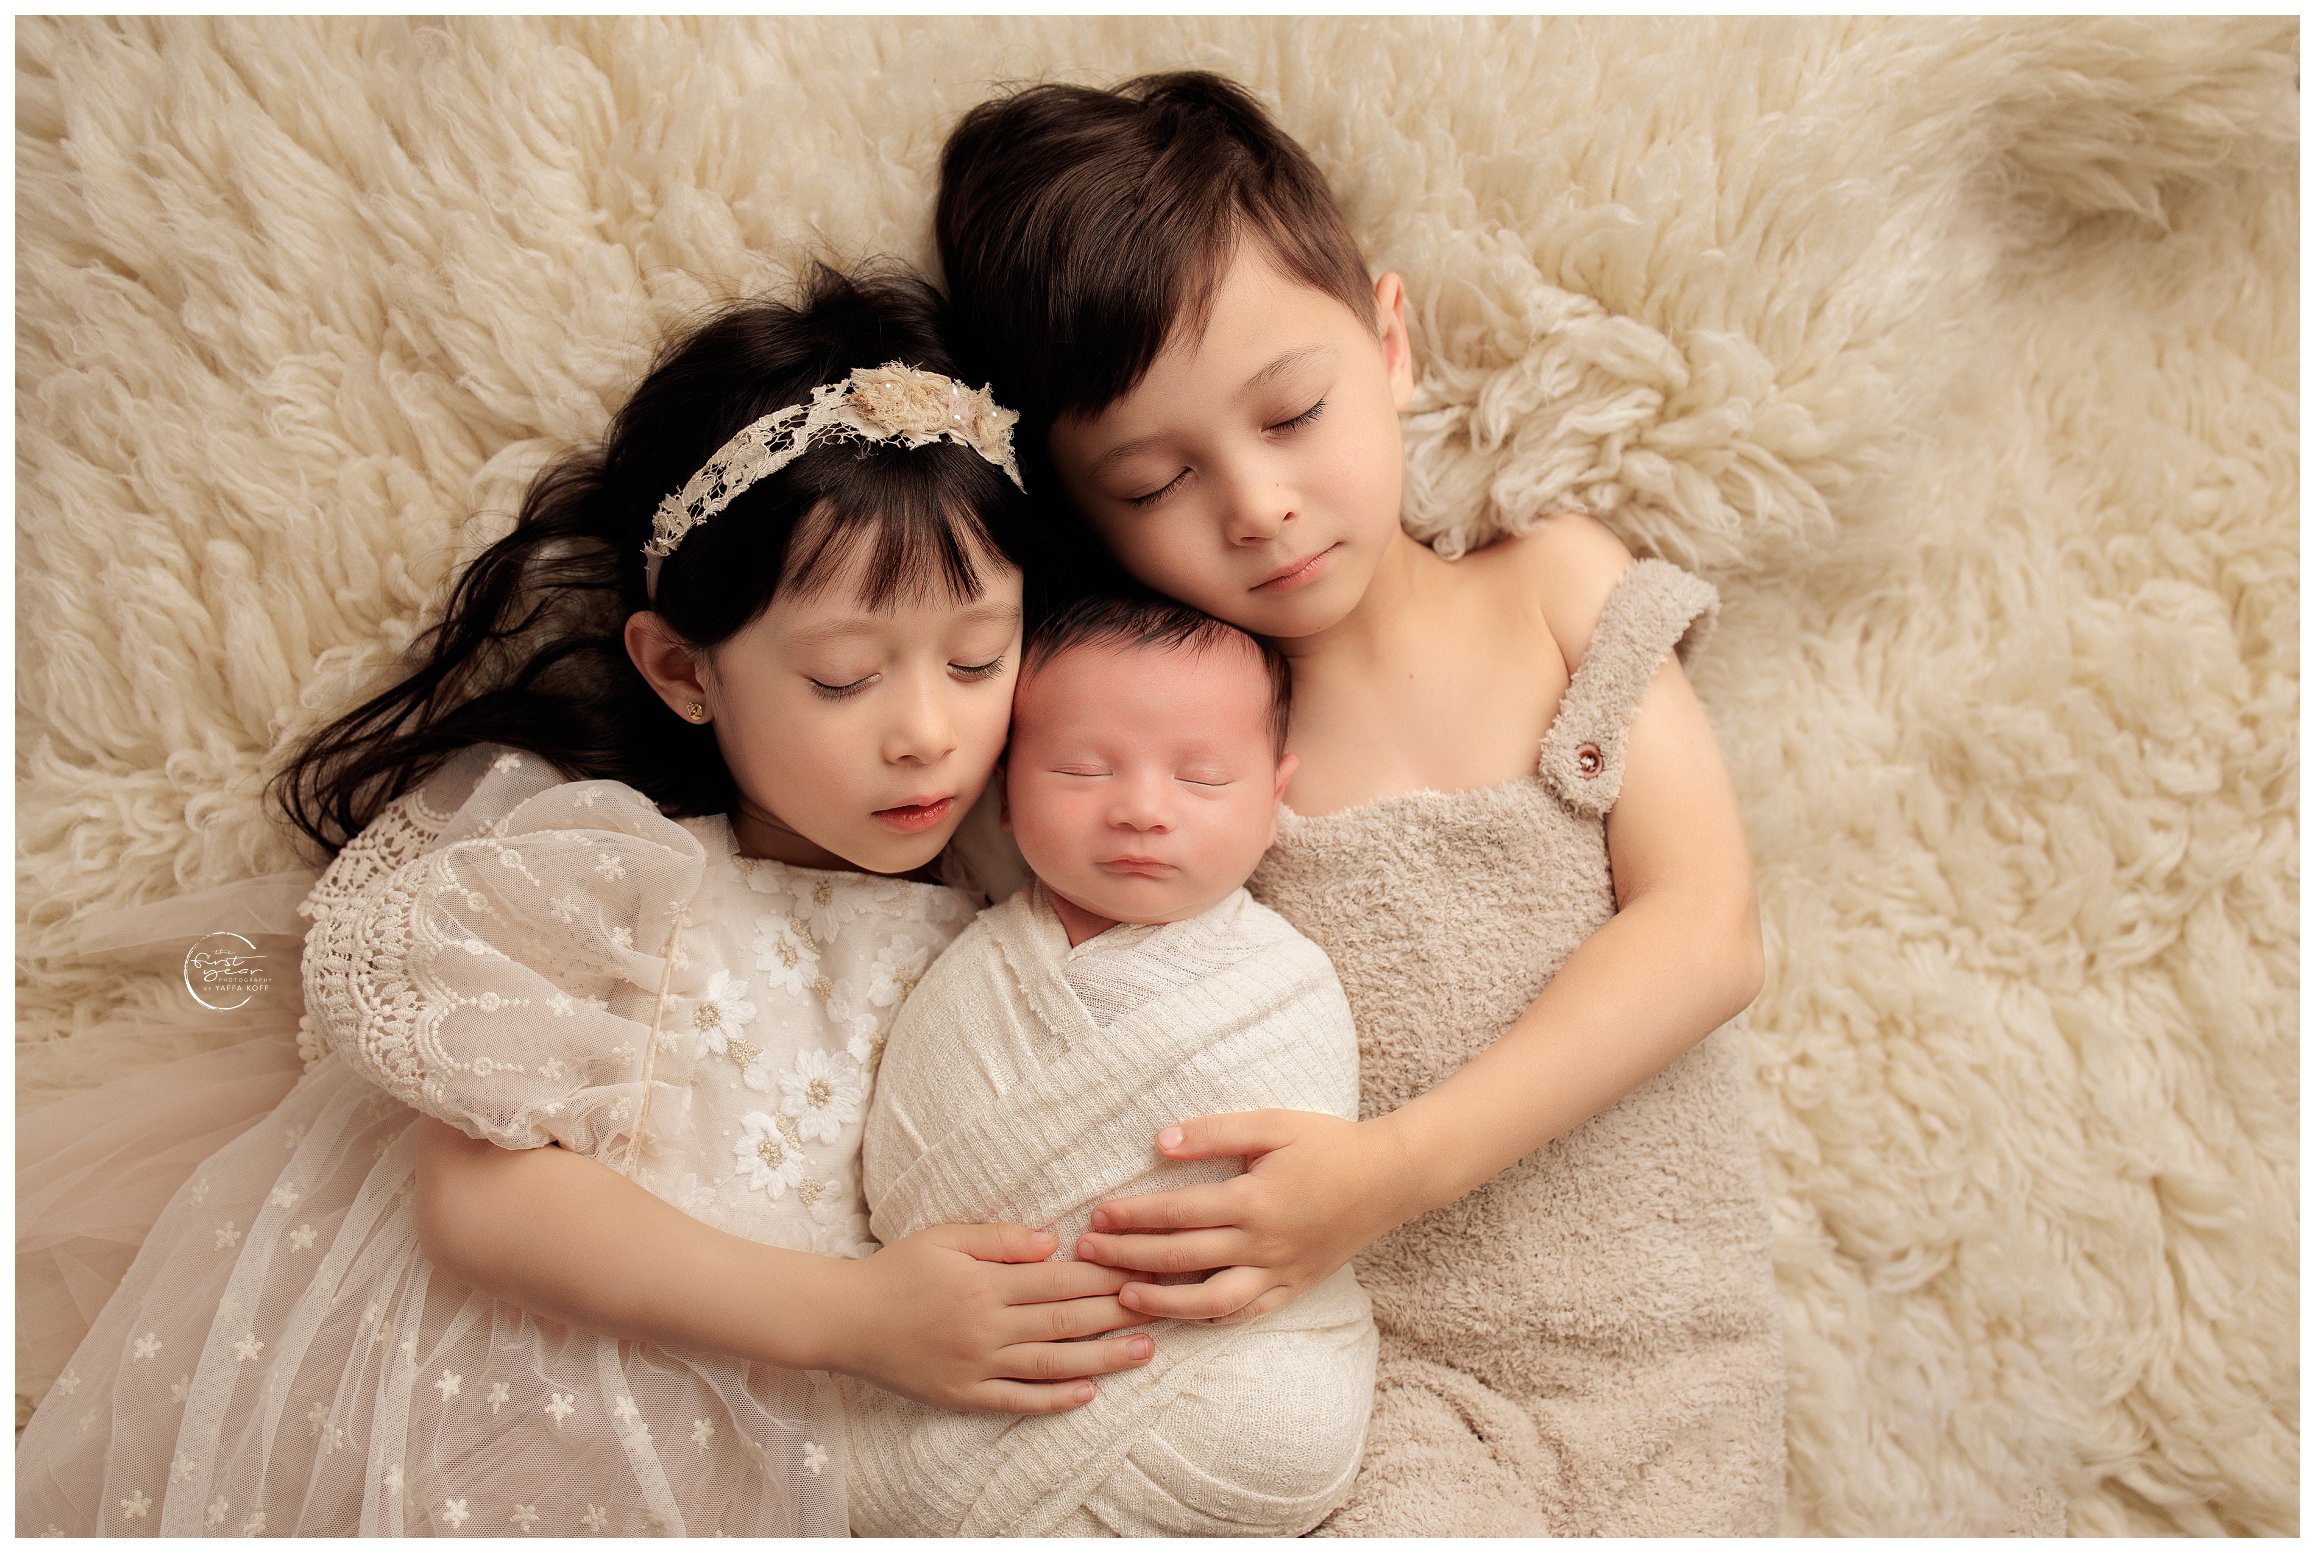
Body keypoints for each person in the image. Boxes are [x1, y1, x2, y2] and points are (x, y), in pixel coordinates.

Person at [15, 265, 1154, 1537]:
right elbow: (482, 1205)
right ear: (682, 670)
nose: (926, 733)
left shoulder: (1027, 863)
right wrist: (854, 1317)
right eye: (842, 676)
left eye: (974, 657)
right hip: (558, 1412)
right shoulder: (610, 875)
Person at [936, 72, 1785, 1535]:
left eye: (1290, 412)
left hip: (1678, 1349)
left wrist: (1387, 1171)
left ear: (1387, 341)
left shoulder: (1555, 588)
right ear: (1086, 516)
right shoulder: (1172, 767)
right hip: (1395, 1385)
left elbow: (1707, 932)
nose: (1256, 502)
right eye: (1156, 480)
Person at [843, 593, 1376, 1537]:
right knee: (872, 1464)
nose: (1139, 808)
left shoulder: (1283, 987)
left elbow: (1300, 1206)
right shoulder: (968, 975)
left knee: (1282, 1433)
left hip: (1218, 1368)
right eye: (1082, 769)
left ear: (1273, 797)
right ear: (1006, 792)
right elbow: (903, 1191)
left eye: (1203, 778)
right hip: (979, 1357)